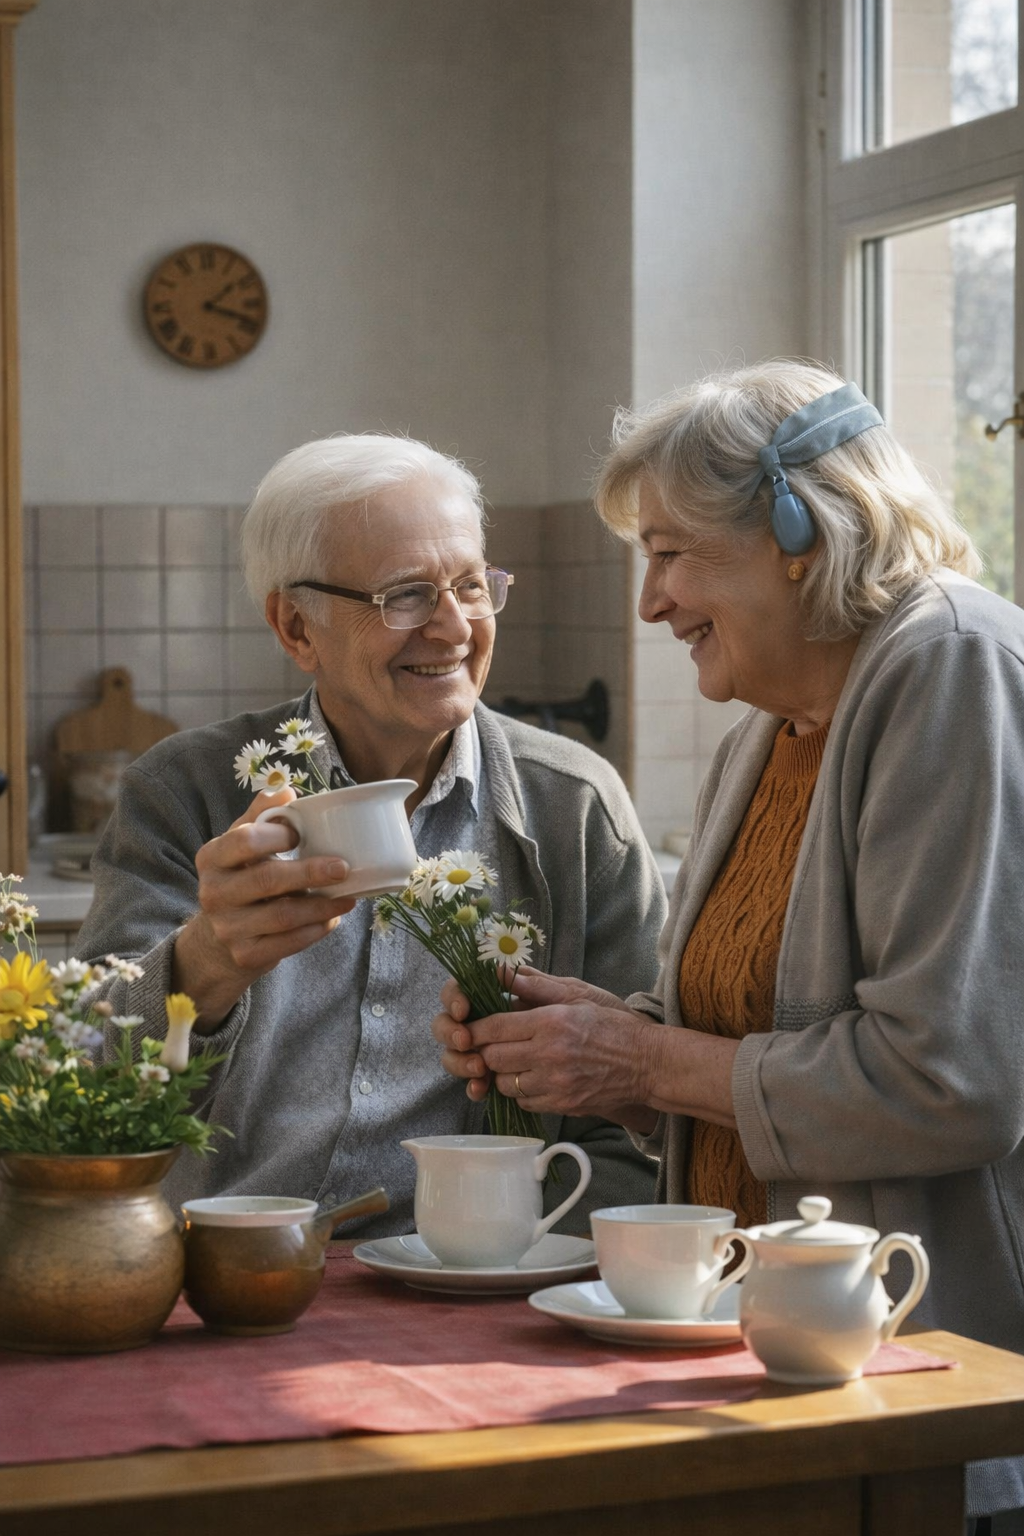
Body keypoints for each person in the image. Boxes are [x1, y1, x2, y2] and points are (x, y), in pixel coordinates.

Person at [433, 360, 1024, 1523]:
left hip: (927, 1386)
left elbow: (946, 1083)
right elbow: (756, 1052)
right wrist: (599, 1043)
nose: (649, 604)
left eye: (670, 553)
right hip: (782, 1373)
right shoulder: (771, 725)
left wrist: (646, 1065)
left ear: (797, 529)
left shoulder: (948, 664)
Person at [77, 434, 666, 1234]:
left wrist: (533, 1275)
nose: (455, 627)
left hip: (469, 1295)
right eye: (406, 596)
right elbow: (89, 1092)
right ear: (296, 628)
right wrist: (209, 960)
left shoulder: (574, 806)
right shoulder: (182, 793)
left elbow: (634, 1127)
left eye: (471, 584)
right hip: (216, 1280)